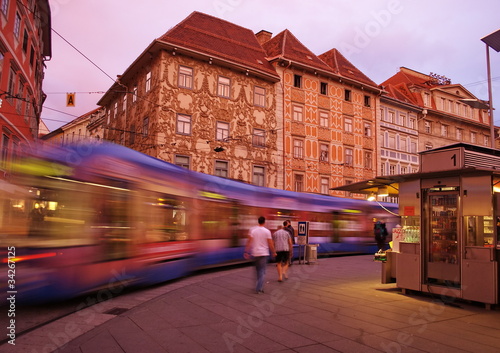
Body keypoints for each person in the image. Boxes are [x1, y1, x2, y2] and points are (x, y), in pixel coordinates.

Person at [244, 216, 276, 294]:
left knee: (258, 271)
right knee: (263, 271)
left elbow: (249, 241)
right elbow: (270, 243)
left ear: (258, 222)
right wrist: (274, 252)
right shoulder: (267, 231)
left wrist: (246, 251)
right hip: (264, 253)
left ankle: (259, 285)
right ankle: (259, 288)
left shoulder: (253, 231)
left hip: (255, 253)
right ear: (264, 222)